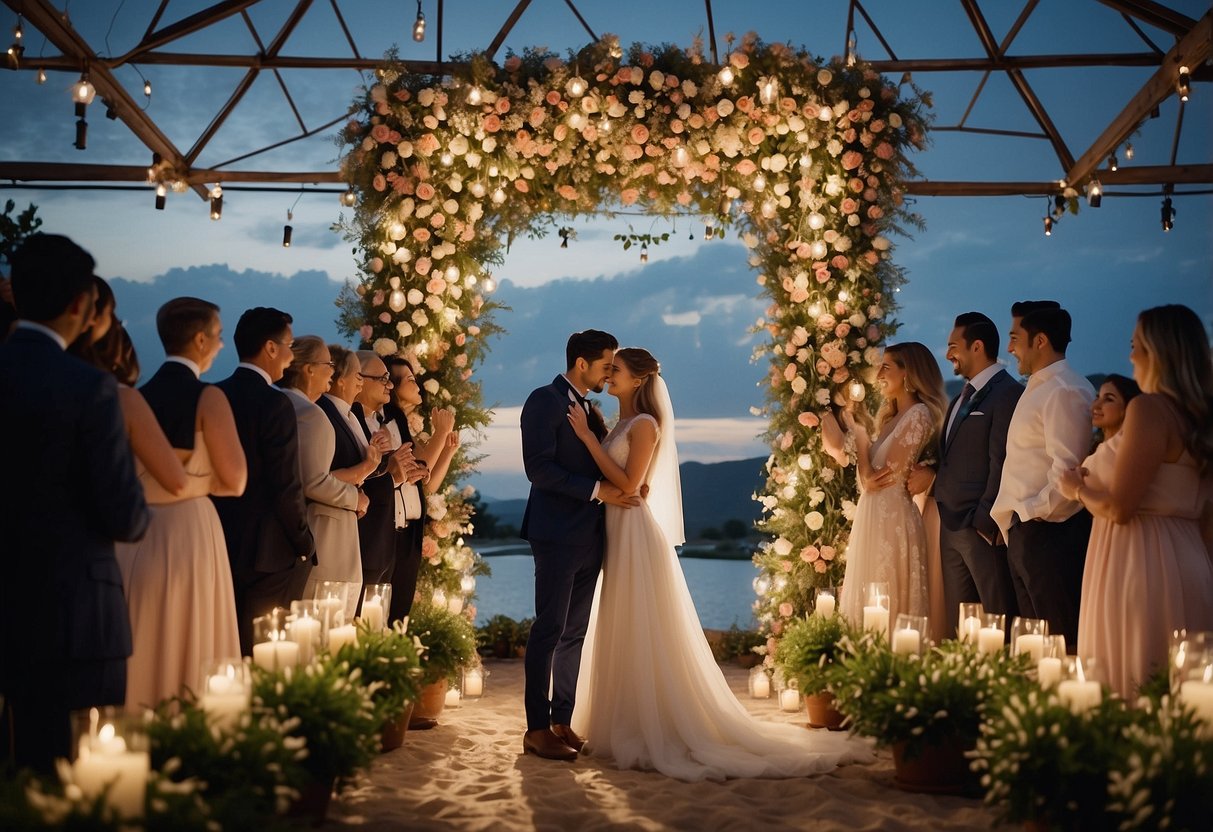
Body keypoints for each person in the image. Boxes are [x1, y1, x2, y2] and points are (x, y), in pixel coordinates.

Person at [566, 347, 872, 780]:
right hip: (616, 529)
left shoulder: (646, 425)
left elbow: (631, 483)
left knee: (640, 624)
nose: (608, 375)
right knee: (619, 620)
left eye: (616, 370)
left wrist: (586, 442)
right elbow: (635, 483)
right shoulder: (622, 424)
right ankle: (619, 719)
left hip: (634, 533)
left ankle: (649, 723)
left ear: (637, 380)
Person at [0, 234, 148, 772]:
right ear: (81, 306)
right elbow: (125, 516)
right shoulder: (87, 387)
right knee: (78, 773)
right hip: (75, 616)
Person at [1061, 305, 1213, 698]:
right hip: (1191, 561)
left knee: (1133, 682)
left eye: (1135, 345)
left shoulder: (1149, 409)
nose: (1129, 356)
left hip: (1139, 563)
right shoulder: (1200, 419)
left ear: (1159, 351)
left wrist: (1075, 487)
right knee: (1182, 695)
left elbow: (1119, 508)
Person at [116, 297, 246, 708]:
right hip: (190, 532)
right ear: (201, 340)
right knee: (192, 632)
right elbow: (236, 481)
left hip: (139, 531)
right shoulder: (208, 398)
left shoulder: (136, 396)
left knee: (145, 630)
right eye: (220, 337)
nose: (223, 346)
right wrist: (195, 482)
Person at [519, 329, 637, 761]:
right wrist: (597, 491)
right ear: (581, 363)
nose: (610, 374)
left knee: (574, 633)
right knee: (548, 629)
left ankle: (561, 721)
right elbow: (539, 470)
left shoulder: (589, 408)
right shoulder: (543, 401)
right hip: (554, 534)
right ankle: (535, 728)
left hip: (591, 537)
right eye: (606, 365)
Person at [991, 303, 1095, 650]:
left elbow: (1068, 473)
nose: (1009, 349)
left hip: (1048, 536)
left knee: (1058, 642)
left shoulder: (1064, 390)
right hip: (1027, 533)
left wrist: (1031, 513)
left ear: (1041, 341)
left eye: (1014, 338)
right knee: (1032, 645)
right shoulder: (1038, 387)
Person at [212, 308, 315, 655]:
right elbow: (286, 484)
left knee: (225, 643)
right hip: (268, 553)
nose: (290, 356)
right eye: (288, 346)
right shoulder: (275, 403)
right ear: (270, 348)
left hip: (220, 541)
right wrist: (304, 542)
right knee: (266, 652)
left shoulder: (214, 395)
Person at [823, 343, 945, 629]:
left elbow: (882, 477)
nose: (878, 374)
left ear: (907, 374)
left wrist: (861, 438)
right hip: (875, 516)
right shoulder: (892, 418)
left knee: (886, 595)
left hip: (892, 520)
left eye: (887, 367)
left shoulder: (918, 415)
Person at [930, 312, 1023, 636]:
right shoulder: (959, 398)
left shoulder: (1008, 393)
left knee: (998, 623)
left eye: (954, 346)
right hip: (950, 524)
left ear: (977, 347)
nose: (948, 354)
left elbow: (1003, 459)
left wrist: (986, 520)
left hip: (981, 527)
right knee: (962, 628)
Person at [281, 337, 367, 598]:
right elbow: (314, 481)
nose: (332, 370)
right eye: (328, 364)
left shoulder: (279, 402)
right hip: (323, 530)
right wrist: (357, 498)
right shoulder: (310, 414)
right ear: (309, 369)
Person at [311, 345, 385, 613]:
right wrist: (365, 469)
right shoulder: (323, 414)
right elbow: (318, 476)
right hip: (326, 523)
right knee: (328, 604)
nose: (360, 381)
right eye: (357, 374)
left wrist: (374, 461)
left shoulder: (347, 415)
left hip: (347, 519)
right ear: (339, 379)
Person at [382, 357, 455, 622]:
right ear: (391, 386)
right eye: (410, 380)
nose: (418, 386)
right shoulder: (387, 422)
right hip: (391, 530)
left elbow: (428, 481)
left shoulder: (402, 424)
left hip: (409, 530)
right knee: (389, 614)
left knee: (400, 612)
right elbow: (417, 469)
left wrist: (447, 449)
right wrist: (440, 432)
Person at [1089, 373, 1140, 446]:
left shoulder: (1127, 451)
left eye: (1109, 399)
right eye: (1098, 397)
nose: (1096, 405)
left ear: (1129, 407)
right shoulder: (1092, 446)